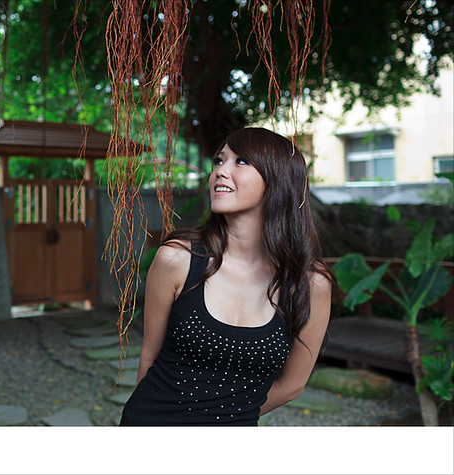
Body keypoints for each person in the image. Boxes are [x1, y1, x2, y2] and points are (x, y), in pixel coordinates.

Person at [119, 127, 335, 426]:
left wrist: (225, 418)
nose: (220, 171)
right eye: (219, 161)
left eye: (241, 161)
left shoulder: (311, 284)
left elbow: (292, 385)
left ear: (279, 178)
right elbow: (149, 357)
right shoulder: (177, 259)